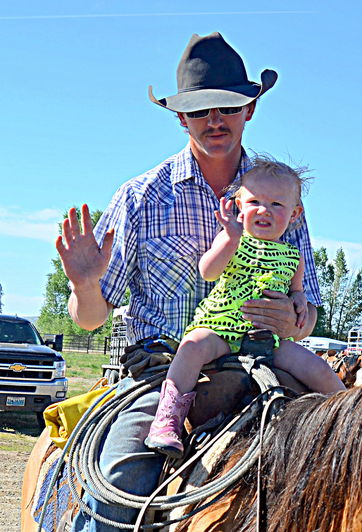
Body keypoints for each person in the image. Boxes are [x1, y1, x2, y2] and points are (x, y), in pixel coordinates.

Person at [56, 32, 323, 531]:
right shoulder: (140, 196)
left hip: (263, 357)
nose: (214, 120)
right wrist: (87, 285)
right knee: (118, 492)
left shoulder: (281, 194)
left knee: (335, 471)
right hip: (161, 369)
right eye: (199, 111)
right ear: (181, 118)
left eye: (226, 106)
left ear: (250, 109)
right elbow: (90, 320)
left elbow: (304, 309)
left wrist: (297, 316)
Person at [145, 158, 344, 457]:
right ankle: (168, 420)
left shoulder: (294, 256)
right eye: (254, 202)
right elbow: (208, 272)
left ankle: (350, 415)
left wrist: (299, 302)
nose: (264, 210)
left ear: (295, 214)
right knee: (191, 347)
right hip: (220, 328)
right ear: (239, 205)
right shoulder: (232, 239)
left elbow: (298, 291)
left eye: (277, 204)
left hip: (267, 339)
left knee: (317, 367)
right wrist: (229, 238)